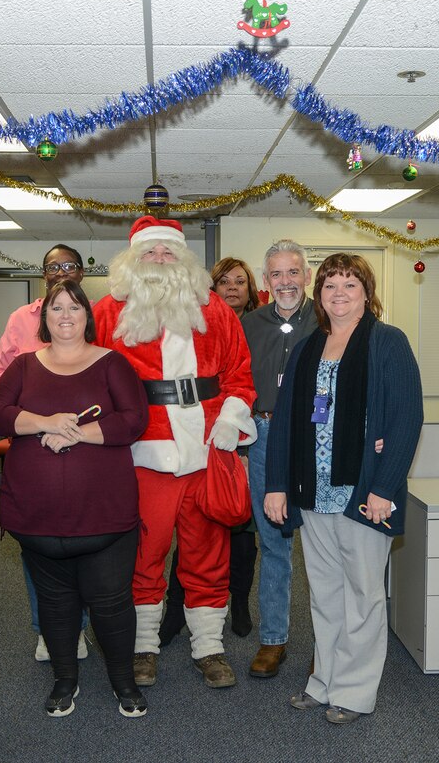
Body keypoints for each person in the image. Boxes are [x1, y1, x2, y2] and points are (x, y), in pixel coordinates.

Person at [94, 215, 257, 690]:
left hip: (205, 451)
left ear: (184, 260)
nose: (160, 260)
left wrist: (229, 419)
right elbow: (90, 380)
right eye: (150, 252)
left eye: (168, 252)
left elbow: (240, 375)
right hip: (141, 454)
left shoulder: (216, 311)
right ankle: (143, 646)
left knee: (208, 555)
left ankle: (209, 647)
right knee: (143, 554)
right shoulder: (107, 313)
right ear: (132, 260)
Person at [264, 253, 423, 724]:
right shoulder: (310, 346)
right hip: (313, 491)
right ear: (320, 294)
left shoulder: (387, 342)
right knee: (325, 595)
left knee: (363, 595)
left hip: (363, 494)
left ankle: (353, 693)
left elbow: (406, 418)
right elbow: (288, 422)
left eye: (349, 285)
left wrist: (385, 488)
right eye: (330, 285)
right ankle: (325, 681)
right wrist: (277, 485)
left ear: (366, 293)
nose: (338, 293)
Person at [0, 280, 150, 718]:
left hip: (105, 518)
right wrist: (46, 423)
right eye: (56, 307)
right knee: (55, 604)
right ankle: (65, 679)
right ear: (45, 318)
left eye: (75, 308)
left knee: (110, 603)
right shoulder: (22, 366)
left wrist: (74, 434)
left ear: (87, 318)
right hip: (36, 519)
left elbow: (134, 420)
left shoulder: (112, 363)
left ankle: (124, 682)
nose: (65, 315)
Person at [0, 244, 90, 663]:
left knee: (86, 542)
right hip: (32, 445)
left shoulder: (94, 315)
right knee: (39, 547)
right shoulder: (20, 320)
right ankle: (48, 630)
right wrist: (32, 411)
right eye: (52, 267)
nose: (59, 272)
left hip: (85, 444)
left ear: (82, 273)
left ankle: (80, 629)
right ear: (42, 273)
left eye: (68, 265)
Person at [160, 255, 262, 644]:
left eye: (241, 280)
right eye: (225, 281)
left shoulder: (257, 324)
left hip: (244, 435)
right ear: (211, 288)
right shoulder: (200, 321)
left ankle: (237, 603)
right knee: (196, 531)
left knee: (239, 532)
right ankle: (177, 607)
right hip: (208, 440)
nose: (233, 287)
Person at [239, 240, 318, 677]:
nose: (285, 282)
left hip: (314, 438)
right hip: (265, 435)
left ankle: (327, 645)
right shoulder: (248, 324)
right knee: (273, 541)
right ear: (265, 281)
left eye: (293, 273)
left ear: (306, 276)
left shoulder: (328, 322)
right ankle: (273, 640)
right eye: (276, 274)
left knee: (325, 545)